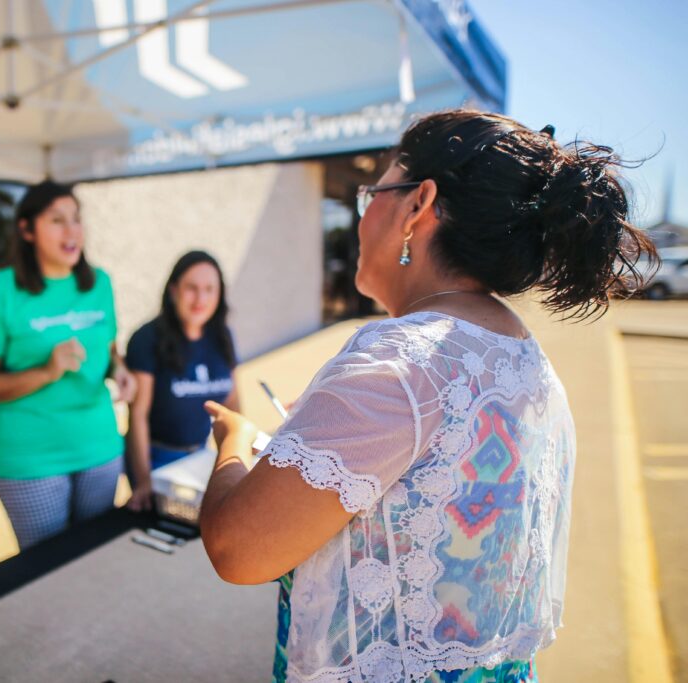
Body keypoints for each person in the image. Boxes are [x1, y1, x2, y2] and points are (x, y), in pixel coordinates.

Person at [198, 110, 656, 683]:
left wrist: (235, 445)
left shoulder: (399, 361)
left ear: (417, 206)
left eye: (374, 194)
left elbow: (240, 549)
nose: (363, 218)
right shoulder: (521, 354)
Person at [0, 180, 135, 550]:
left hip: (100, 447)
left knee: (95, 558)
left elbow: (108, 350)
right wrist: (46, 372)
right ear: (26, 229)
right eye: (57, 220)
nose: (72, 230)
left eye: (76, 218)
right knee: (47, 571)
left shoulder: (99, 284)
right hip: (31, 460)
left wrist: (118, 370)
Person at [124, 251, 239, 511]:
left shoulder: (222, 336)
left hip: (201, 456)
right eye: (192, 288)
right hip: (156, 460)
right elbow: (137, 416)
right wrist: (144, 482)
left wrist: (237, 463)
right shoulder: (147, 339)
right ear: (174, 289)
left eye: (210, 289)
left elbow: (233, 405)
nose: (201, 298)